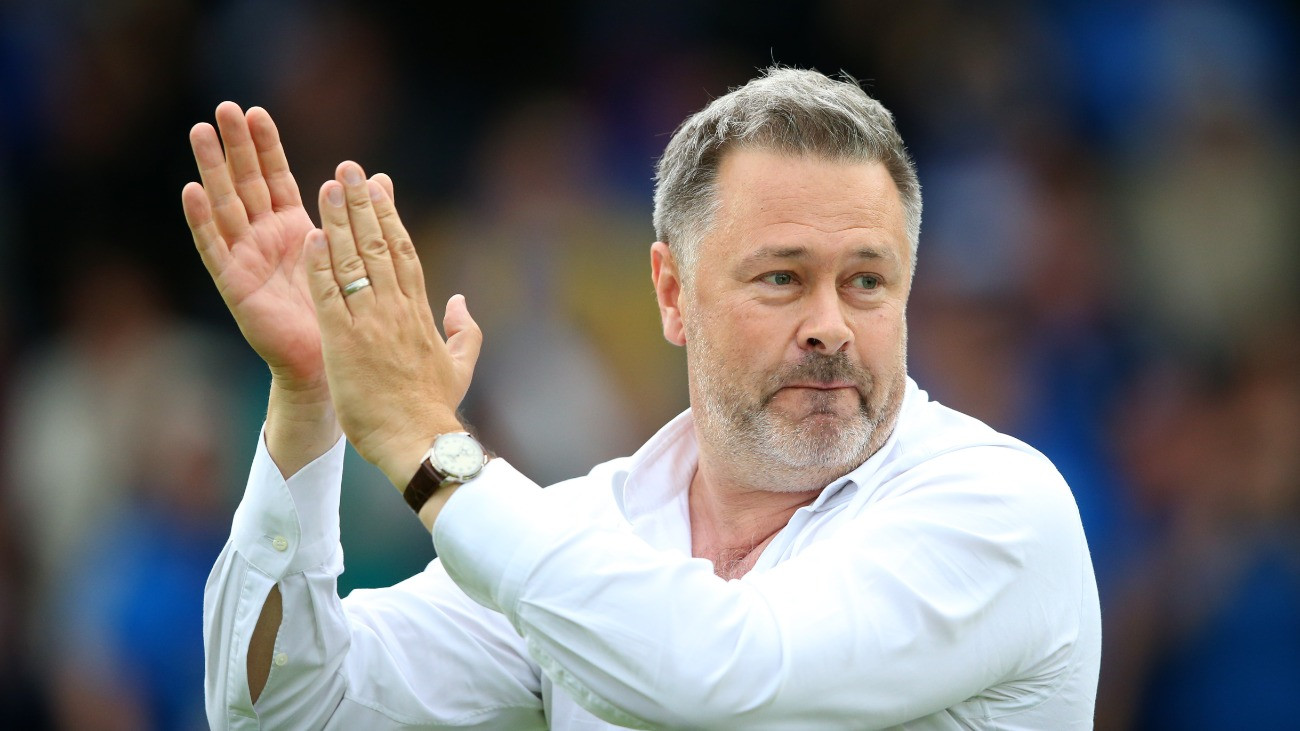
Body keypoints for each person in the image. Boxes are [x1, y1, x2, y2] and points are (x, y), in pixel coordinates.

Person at [189, 67, 1100, 729]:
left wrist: (429, 444)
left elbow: (722, 674)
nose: (830, 326)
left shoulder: (998, 504)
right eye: (782, 278)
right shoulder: (586, 530)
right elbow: (290, 710)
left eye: (866, 281)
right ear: (672, 292)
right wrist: (312, 393)